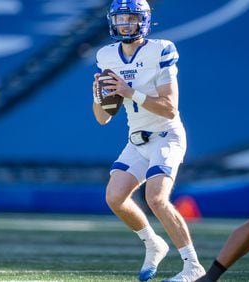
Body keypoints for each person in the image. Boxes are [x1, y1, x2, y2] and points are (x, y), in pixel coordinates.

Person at [92, 0, 205, 281]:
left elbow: (169, 107)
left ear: (143, 21)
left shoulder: (160, 50)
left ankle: (193, 266)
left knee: (156, 198)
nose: (125, 24)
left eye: (131, 18)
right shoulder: (107, 56)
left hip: (167, 135)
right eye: (120, 19)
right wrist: (99, 96)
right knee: (115, 197)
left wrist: (130, 92)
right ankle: (154, 243)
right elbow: (102, 119)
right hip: (137, 140)